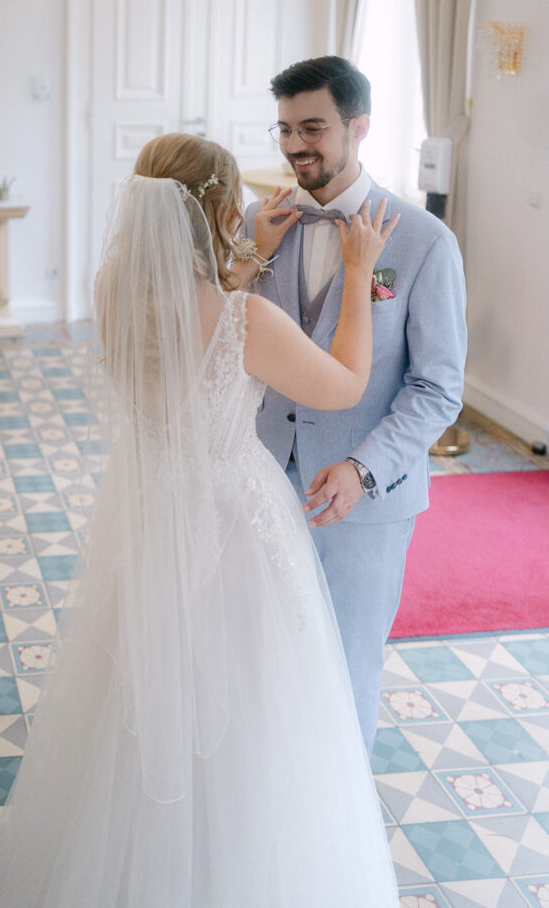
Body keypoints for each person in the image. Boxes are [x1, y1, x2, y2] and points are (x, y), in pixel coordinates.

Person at [0, 132, 401, 907]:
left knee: (144, 691)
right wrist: (357, 273)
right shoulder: (246, 321)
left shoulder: (111, 293)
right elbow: (344, 386)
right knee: (244, 706)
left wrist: (248, 261)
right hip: (233, 528)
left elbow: (186, 312)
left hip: (154, 516)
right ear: (222, 214)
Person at [240, 56, 467, 752]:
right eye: (284, 129)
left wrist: (362, 469)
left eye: (312, 128)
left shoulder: (423, 241)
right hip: (258, 481)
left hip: (363, 501)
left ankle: (339, 815)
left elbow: (437, 388)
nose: (294, 145)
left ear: (358, 126)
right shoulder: (259, 222)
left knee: (346, 664)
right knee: (255, 658)